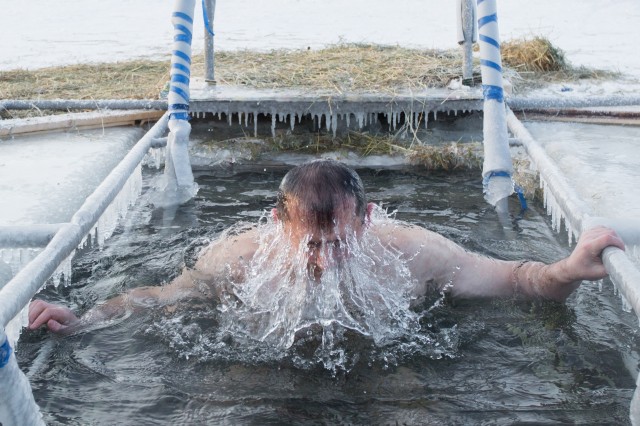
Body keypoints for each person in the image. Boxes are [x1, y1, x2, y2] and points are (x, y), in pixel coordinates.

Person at [29, 159, 625, 335]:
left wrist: (570, 267)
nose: (322, 258)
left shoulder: (413, 252)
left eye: (339, 242)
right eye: (309, 244)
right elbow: (160, 297)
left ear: (366, 220)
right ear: (277, 223)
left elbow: (522, 280)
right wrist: (84, 320)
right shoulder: (239, 256)